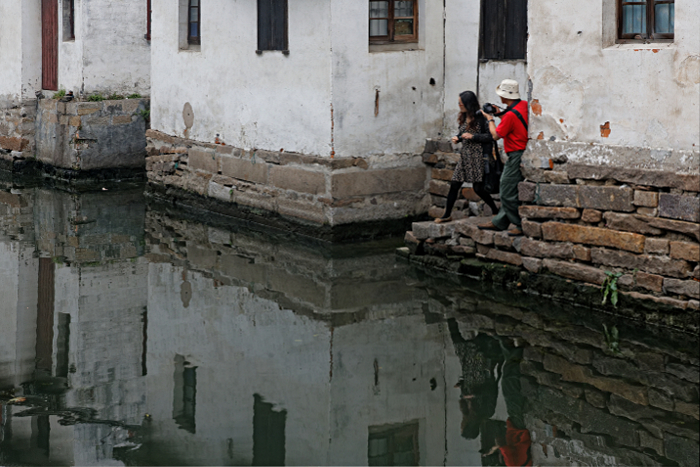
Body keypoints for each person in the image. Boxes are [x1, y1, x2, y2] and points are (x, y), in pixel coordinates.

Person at [435, 91, 499, 223]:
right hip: (465, 156)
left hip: (478, 157)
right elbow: (463, 133)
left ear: (468, 104)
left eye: (461, 103)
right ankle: (447, 214)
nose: (459, 105)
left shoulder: (481, 117)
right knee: (454, 184)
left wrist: (473, 136)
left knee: (478, 188)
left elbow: (491, 137)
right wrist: (458, 138)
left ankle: (495, 210)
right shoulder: (464, 116)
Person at [478, 79, 529, 236]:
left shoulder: (509, 116)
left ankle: (519, 225)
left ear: (504, 96)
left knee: (506, 191)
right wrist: (499, 113)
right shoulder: (523, 106)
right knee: (509, 188)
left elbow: (495, 135)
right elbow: (513, 122)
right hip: (522, 152)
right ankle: (499, 222)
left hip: (515, 155)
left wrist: (490, 118)